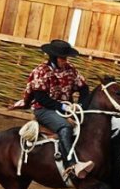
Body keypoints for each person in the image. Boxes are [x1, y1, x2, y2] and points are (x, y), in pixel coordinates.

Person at [21, 39, 93, 179]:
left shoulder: (70, 70)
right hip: (43, 109)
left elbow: (84, 88)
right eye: (62, 58)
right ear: (53, 57)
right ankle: (71, 165)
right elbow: (40, 97)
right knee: (65, 127)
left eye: (66, 58)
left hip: (67, 109)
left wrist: (81, 106)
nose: (65, 60)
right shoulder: (41, 71)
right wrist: (61, 106)